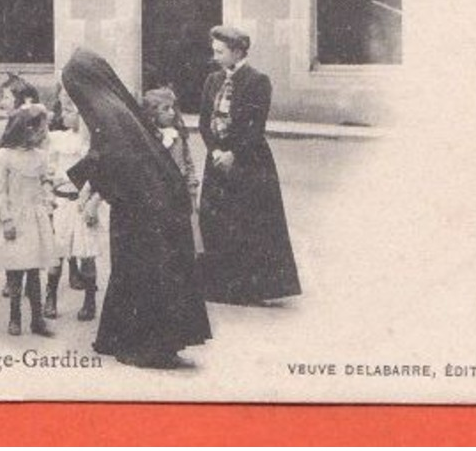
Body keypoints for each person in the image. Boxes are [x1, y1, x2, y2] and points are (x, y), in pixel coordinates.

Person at [61, 47, 211, 368]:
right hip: (152, 201)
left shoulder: (104, 110)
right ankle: (119, 336)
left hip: (146, 208)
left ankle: (148, 346)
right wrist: (89, 184)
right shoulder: (116, 105)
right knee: (135, 269)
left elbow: (109, 156)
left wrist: (83, 185)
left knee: (143, 270)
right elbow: (108, 155)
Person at [198, 25, 302, 305]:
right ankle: (221, 287)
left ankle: (252, 289)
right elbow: (203, 122)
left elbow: (254, 127)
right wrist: (216, 150)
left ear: (237, 51)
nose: (215, 56)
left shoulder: (257, 81)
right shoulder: (212, 80)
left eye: (220, 51)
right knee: (216, 220)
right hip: (217, 161)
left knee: (248, 223)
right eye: (214, 50)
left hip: (249, 162)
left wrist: (234, 153)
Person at [0, 103, 59, 337]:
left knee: (34, 271)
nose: (44, 134)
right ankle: (14, 317)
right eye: (40, 130)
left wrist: (48, 197)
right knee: (15, 271)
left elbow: (45, 180)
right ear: (26, 129)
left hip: (34, 218)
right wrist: (5, 219)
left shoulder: (40, 157)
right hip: (14, 217)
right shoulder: (4, 157)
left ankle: (37, 320)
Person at [45, 91, 103, 322]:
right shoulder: (58, 139)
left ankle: (89, 300)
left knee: (86, 252)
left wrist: (91, 199)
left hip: (83, 204)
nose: (64, 115)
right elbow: (50, 171)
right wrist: (50, 188)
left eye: (69, 111)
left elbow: (97, 176)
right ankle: (50, 297)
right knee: (58, 251)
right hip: (61, 203)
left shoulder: (91, 145)